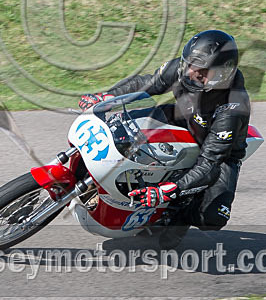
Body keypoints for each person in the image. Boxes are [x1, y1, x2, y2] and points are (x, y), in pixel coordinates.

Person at [78, 30, 250, 248]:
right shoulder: (183, 68)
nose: (192, 73)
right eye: (190, 65)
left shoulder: (233, 107)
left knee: (214, 217)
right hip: (182, 118)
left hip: (219, 152)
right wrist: (107, 97)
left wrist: (168, 191)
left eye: (203, 71)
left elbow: (210, 164)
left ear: (223, 73)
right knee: (124, 130)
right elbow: (147, 83)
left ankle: (178, 216)